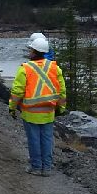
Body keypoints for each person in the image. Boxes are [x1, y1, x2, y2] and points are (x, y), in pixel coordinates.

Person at [9, 32, 66, 176]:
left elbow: (17, 92)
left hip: (31, 112)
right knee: (47, 139)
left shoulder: (25, 68)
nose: (29, 52)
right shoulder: (55, 68)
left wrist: (12, 108)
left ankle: (36, 167)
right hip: (48, 111)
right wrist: (61, 108)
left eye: (30, 50)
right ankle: (47, 168)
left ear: (34, 51)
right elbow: (61, 90)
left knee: (34, 140)